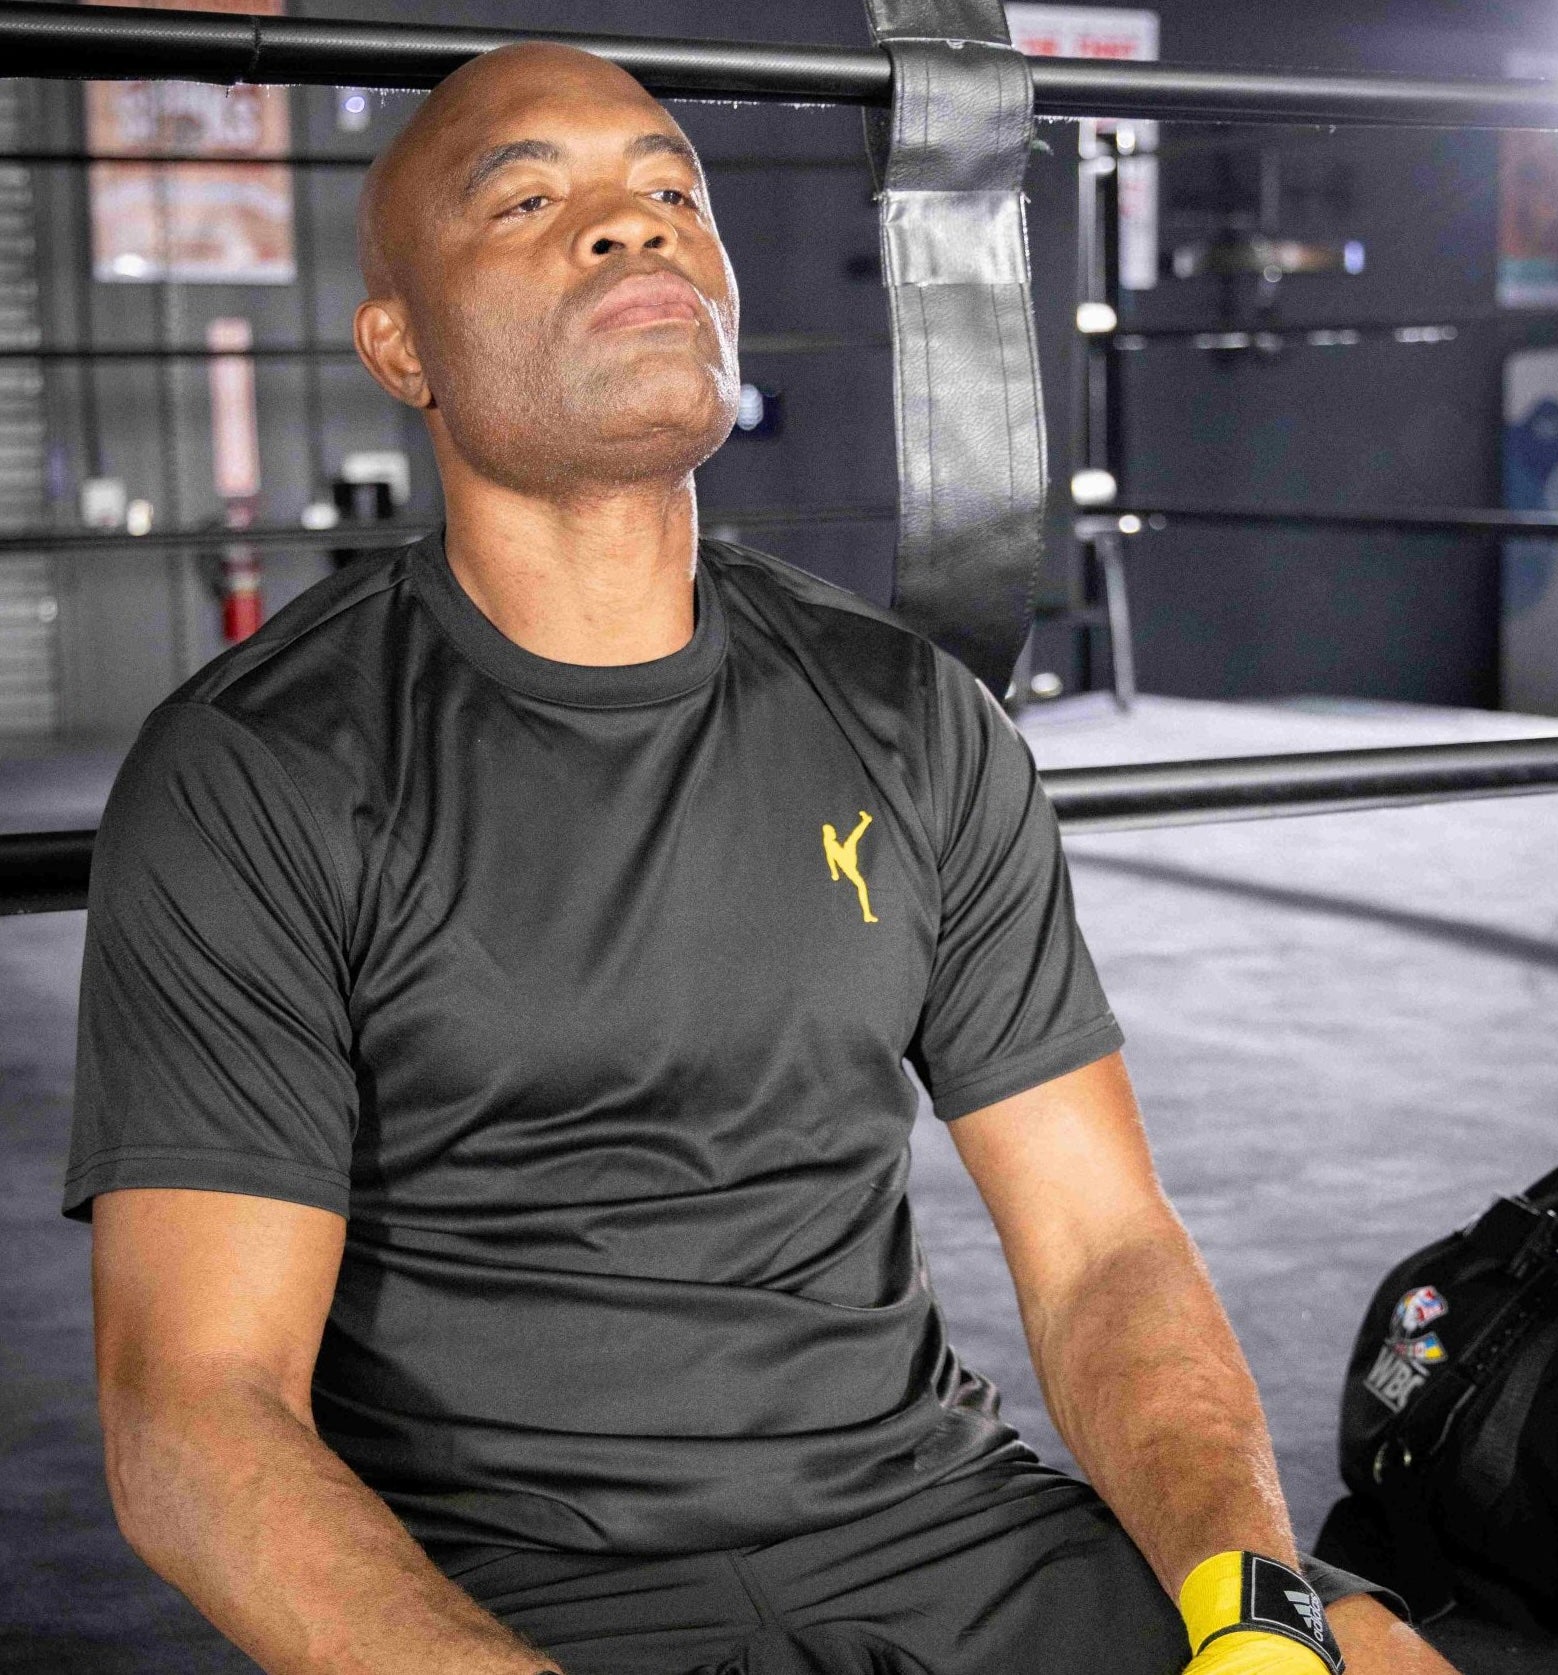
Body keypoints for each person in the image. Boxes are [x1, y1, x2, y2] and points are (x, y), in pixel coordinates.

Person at [63, 42, 1462, 1675]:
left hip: (939, 1529)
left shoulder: (907, 717)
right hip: (514, 1597)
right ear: (401, 345)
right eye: (531, 198)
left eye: (673, 193)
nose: (630, 228)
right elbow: (193, 1413)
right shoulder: (258, 769)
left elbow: (1103, 1249)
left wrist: (1251, 1609)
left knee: (1370, 1663)